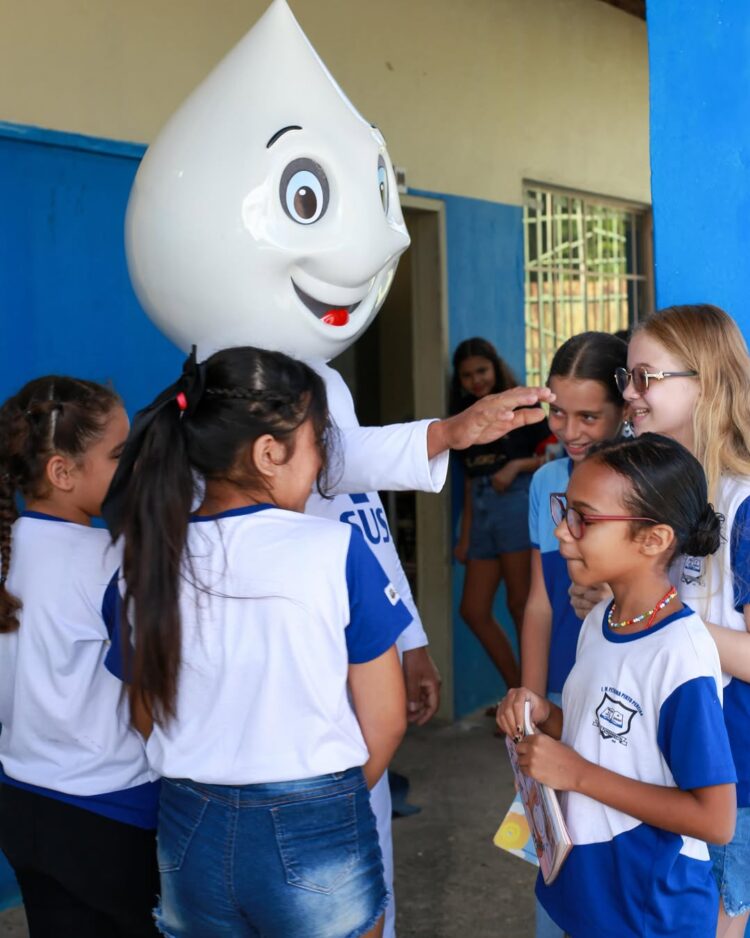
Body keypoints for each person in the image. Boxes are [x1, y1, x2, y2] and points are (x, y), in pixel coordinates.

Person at [102, 347, 413, 938]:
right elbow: (388, 718)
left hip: (188, 823)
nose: (324, 460)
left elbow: (143, 713)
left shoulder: (141, 563)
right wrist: (322, 807)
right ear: (270, 453)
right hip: (316, 818)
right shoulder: (335, 550)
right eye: (320, 441)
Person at [498, 433, 737, 938]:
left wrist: (577, 775)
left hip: (649, 912)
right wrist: (544, 714)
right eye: (566, 509)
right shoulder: (600, 620)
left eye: (583, 518)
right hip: (592, 892)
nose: (562, 531)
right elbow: (610, 738)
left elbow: (716, 819)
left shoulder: (681, 655)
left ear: (653, 539)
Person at [0, 376, 159, 937]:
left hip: (21, 802)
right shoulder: (108, 560)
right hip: (108, 813)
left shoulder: (7, 550)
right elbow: (148, 701)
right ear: (61, 473)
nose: (135, 464)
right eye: (120, 454)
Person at [615, 304, 750, 938]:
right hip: (666, 755)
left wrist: (662, 618)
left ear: (708, 382)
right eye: (627, 378)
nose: (630, 396)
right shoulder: (677, 490)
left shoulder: (744, 504)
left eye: (646, 378)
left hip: (730, 769)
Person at [518, 331, 626, 938]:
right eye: (558, 411)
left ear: (623, 409)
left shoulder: (649, 481)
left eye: (589, 415)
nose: (570, 429)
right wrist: (532, 703)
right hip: (561, 696)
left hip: (623, 701)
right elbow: (538, 602)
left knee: (615, 852)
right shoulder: (545, 484)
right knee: (556, 858)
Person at [451, 338, 549, 687]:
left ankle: (531, 699)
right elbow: (467, 478)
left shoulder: (521, 403)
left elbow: (553, 456)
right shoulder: (462, 413)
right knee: (473, 610)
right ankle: (516, 689)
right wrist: (464, 536)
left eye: (481, 370)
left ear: (495, 366)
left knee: (520, 604)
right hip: (480, 508)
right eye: (467, 375)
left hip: (515, 501)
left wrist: (517, 465)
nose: (476, 380)